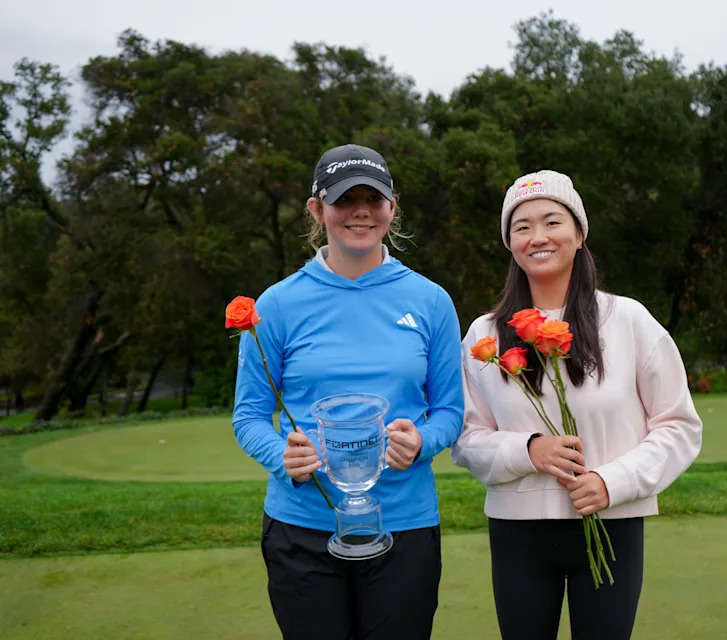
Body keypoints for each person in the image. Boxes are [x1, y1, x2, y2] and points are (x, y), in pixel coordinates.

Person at [452, 170, 703, 640]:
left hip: (610, 526)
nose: (538, 237)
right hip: (516, 532)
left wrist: (613, 481)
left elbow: (678, 425)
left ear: (580, 233)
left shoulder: (628, 319)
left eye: (552, 221)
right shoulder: (483, 334)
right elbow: (465, 438)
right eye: (521, 227)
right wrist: (529, 450)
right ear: (508, 242)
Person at [232, 144, 464, 640]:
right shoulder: (277, 303)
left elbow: (449, 410)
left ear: (392, 208)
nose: (360, 210)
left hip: (404, 524)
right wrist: (282, 455)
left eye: (373, 198)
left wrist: (422, 441)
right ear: (317, 209)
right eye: (344, 199)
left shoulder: (430, 300)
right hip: (302, 528)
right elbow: (249, 415)